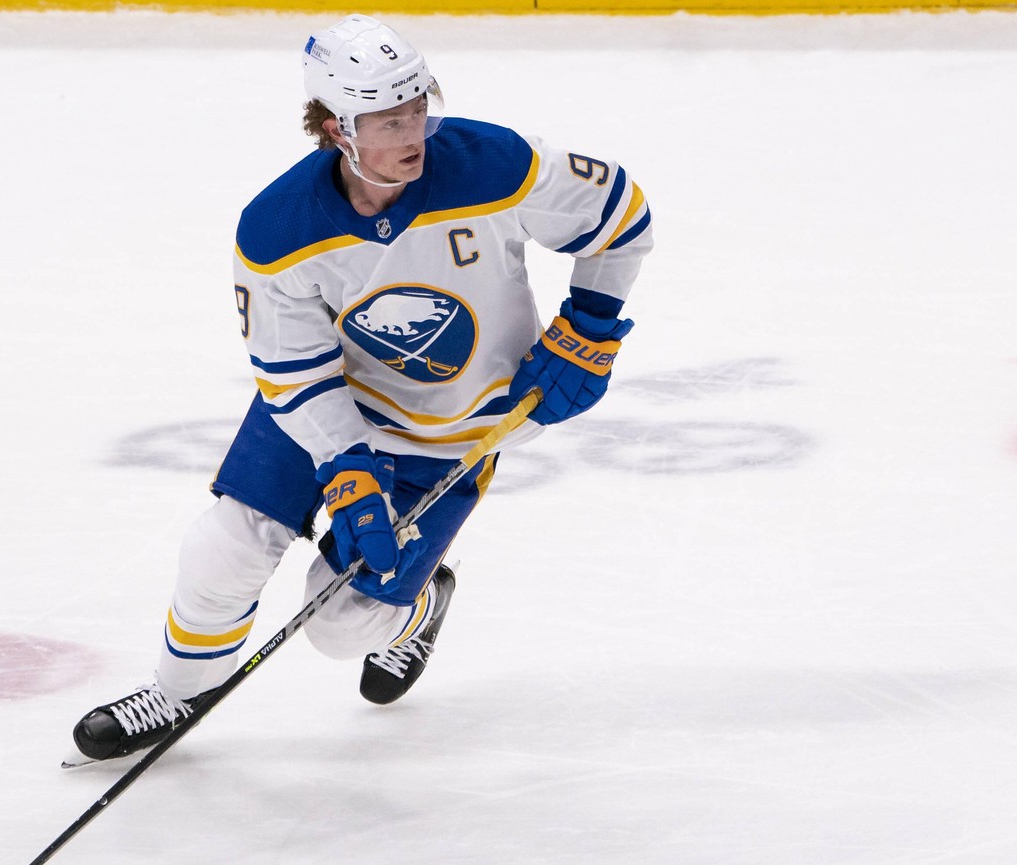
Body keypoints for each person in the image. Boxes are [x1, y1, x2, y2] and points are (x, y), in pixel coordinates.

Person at [69, 13, 653, 764]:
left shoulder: (494, 165)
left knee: (341, 625)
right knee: (226, 545)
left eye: (418, 108)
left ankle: (420, 608)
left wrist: (594, 324)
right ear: (335, 126)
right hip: (328, 408)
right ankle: (180, 691)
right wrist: (345, 464)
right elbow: (293, 372)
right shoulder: (279, 228)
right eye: (387, 118)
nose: (413, 132)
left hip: (453, 430)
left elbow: (619, 214)